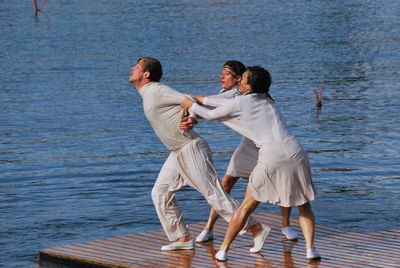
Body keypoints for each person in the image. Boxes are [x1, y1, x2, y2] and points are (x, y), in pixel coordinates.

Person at [129, 57, 269, 251]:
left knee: (214, 194)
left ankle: (256, 229)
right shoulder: (147, 93)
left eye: (136, 67)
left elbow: (189, 100)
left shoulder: (157, 90)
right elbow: (186, 105)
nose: (131, 69)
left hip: (190, 147)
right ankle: (182, 238)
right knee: (160, 193)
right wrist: (190, 117)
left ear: (146, 74)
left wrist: (193, 118)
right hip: (177, 151)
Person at [181, 66, 321, 260]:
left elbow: (211, 114)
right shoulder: (266, 99)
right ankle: (310, 250)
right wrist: (197, 98)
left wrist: (190, 104)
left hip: (271, 153)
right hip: (295, 150)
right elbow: (215, 101)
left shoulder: (242, 102)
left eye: (243, 79)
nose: (240, 81)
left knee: (247, 205)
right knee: (303, 204)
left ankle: (223, 250)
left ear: (249, 84)